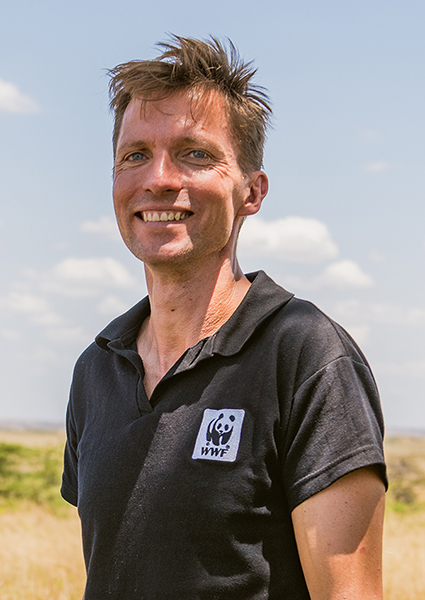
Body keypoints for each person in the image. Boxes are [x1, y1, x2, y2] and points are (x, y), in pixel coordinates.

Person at [61, 36, 387, 599]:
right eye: (135, 154)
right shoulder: (96, 368)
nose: (159, 178)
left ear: (252, 191)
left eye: (195, 153)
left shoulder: (306, 354)